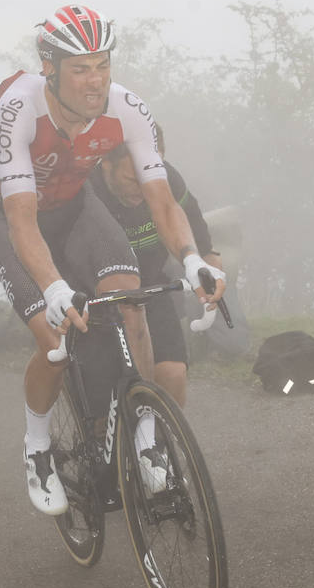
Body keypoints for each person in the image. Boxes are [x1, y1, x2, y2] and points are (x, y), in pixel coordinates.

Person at [0, 4, 224, 516]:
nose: (96, 81)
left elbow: (163, 199)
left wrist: (193, 258)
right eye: (80, 68)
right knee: (57, 341)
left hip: (74, 206)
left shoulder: (127, 107)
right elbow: (23, 219)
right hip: (15, 214)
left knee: (128, 293)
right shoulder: (18, 108)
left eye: (103, 65)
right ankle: (38, 447)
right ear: (50, 67)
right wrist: (52, 286)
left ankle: (148, 437)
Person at [88, 124, 220, 406]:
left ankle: (160, 447)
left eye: (148, 177)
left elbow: (206, 249)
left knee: (172, 373)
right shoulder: (86, 187)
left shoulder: (167, 179)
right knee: (103, 406)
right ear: (106, 162)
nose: (144, 189)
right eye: (131, 179)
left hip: (148, 287)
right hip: (93, 295)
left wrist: (213, 288)